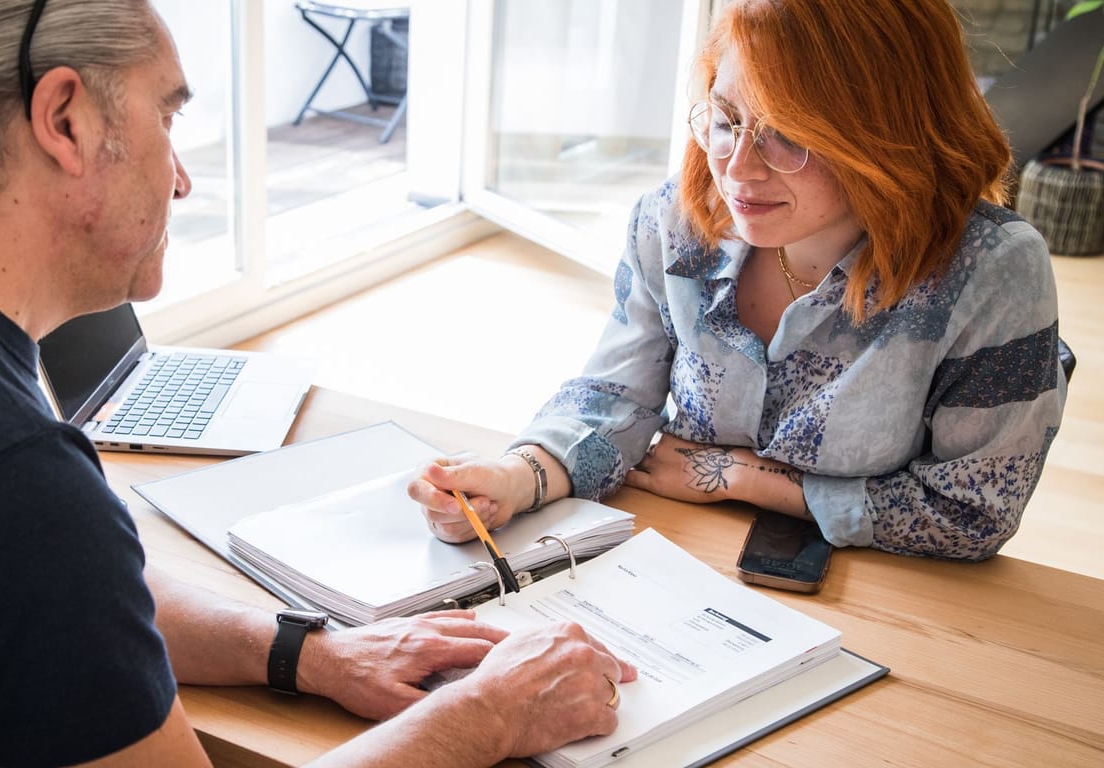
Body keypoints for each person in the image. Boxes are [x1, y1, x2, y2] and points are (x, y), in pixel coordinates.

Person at [0, 1, 634, 765]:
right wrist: (484, 714)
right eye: (167, 116)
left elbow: (61, 603)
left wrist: (310, 652)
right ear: (66, 120)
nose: (182, 177)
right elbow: (26, 550)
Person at [410, 0, 1067, 563]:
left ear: (887, 134)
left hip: (892, 595)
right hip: (683, 558)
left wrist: (743, 479)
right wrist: (514, 477)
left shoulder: (990, 269)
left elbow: (971, 513)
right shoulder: (674, 222)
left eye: (788, 135)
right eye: (726, 120)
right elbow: (615, 399)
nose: (738, 169)